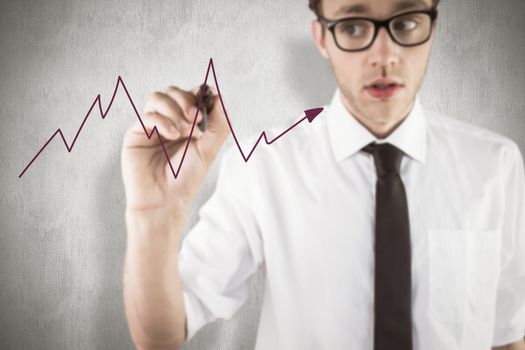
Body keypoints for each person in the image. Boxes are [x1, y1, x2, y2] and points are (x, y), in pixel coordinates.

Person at [120, 0, 525, 349]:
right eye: (352, 26)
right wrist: (152, 216)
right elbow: (161, 335)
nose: (384, 55)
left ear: (433, 26)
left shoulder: (495, 166)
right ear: (321, 38)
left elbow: (506, 335)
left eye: (405, 22)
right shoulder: (262, 167)